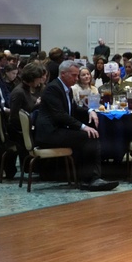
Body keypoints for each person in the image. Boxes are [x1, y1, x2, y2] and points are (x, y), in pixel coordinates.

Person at [34, 60, 118, 191]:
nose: (76, 78)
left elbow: (73, 108)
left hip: (57, 130)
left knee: (90, 135)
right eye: (74, 75)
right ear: (63, 74)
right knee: (90, 136)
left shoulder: (64, 88)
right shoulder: (53, 88)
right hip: (49, 134)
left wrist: (90, 111)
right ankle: (92, 179)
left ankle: (88, 179)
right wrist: (83, 126)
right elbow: (60, 115)